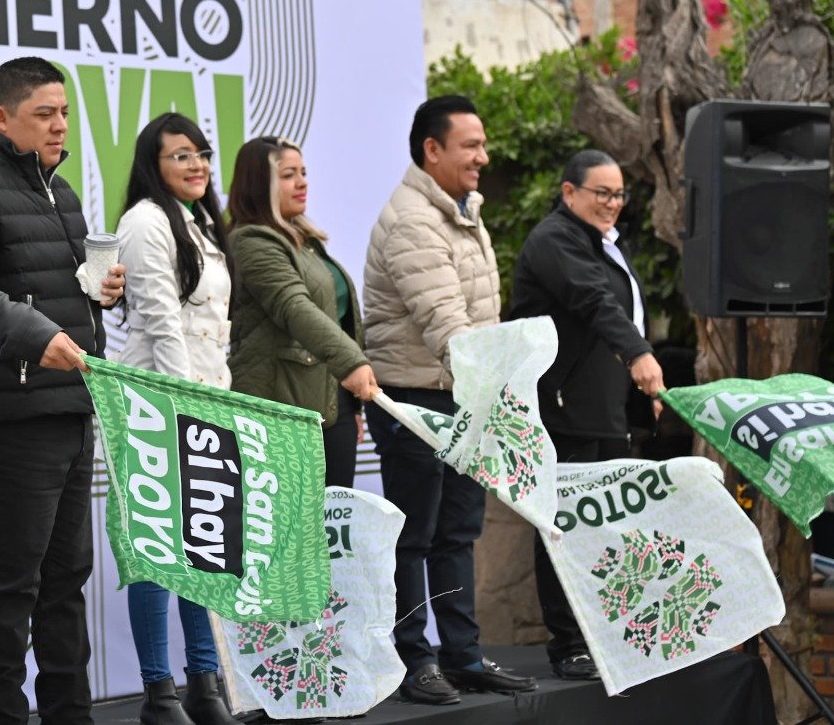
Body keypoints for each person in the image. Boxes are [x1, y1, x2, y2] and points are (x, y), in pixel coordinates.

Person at [0, 56, 125, 725]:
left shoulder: (60, 192)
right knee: (15, 583)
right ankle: (5, 716)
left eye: (64, 112)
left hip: (72, 405)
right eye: (44, 114)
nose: (60, 125)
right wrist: (40, 337)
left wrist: (102, 294)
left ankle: (71, 714)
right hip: (13, 415)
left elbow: (55, 289)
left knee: (67, 581)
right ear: (1, 117)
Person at [362, 96, 534, 705]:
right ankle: (415, 662)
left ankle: (464, 657)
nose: (483, 157)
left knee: (458, 532)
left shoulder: (461, 210)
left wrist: (495, 391)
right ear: (432, 150)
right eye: (471, 145)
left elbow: (480, 322)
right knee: (414, 536)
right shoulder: (413, 220)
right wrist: (497, 386)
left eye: (483, 145)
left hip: (464, 397)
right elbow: (448, 325)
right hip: (415, 399)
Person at [506, 149, 664, 681]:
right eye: (602, 193)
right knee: (563, 526)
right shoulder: (554, 240)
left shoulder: (603, 242)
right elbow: (594, 300)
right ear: (569, 192)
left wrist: (640, 393)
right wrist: (639, 354)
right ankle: (569, 643)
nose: (613, 203)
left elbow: (622, 311)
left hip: (605, 409)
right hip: (561, 410)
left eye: (619, 194)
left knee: (608, 527)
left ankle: (605, 636)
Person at [113, 113, 239, 725]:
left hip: (208, 404)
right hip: (157, 406)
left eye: (202, 154)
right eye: (180, 155)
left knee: (204, 553)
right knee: (156, 554)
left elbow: (214, 331)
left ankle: (205, 685)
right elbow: (162, 323)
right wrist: (187, 411)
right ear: (153, 165)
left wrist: (215, 409)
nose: (196, 165)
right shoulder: (144, 221)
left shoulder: (203, 222)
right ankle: (159, 695)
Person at [226, 137, 380, 490]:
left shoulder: (304, 239)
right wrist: (352, 363)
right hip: (283, 409)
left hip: (332, 404)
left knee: (332, 519)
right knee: (293, 522)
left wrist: (351, 407)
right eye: (288, 175)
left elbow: (336, 317)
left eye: (304, 172)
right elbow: (294, 306)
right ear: (258, 184)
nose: (302, 183)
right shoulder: (251, 241)